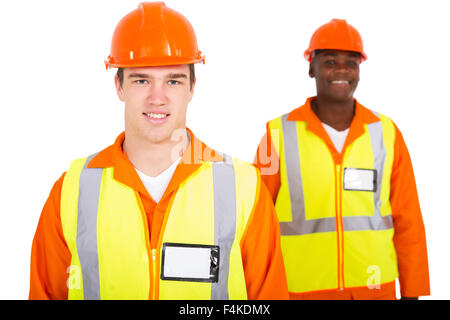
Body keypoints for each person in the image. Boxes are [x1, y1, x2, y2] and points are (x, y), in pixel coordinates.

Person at [29, 2, 288, 300]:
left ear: (192, 88)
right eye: (142, 80)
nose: (157, 98)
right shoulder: (70, 192)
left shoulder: (244, 188)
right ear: (119, 86)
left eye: (173, 81)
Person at [254, 19, 430, 300]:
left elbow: (408, 219)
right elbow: (256, 223)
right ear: (311, 66)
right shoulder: (277, 134)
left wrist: (413, 291)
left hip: (374, 289)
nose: (341, 71)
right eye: (330, 61)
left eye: (351, 62)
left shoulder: (385, 133)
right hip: (300, 291)